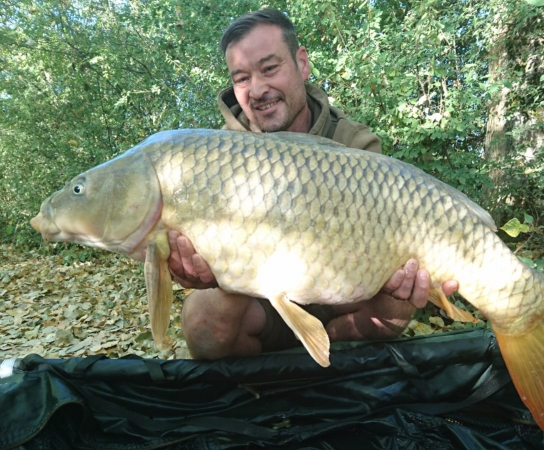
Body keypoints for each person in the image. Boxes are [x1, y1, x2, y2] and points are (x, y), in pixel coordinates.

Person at [166, 9, 457, 361]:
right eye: (241, 78)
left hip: (342, 292)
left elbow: (387, 248)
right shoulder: (216, 155)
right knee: (202, 320)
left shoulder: (354, 142)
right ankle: (260, 390)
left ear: (301, 64)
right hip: (260, 305)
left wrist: (399, 271)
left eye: (270, 69)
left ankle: (334, 362)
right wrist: (212, 272)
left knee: (399, 304)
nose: (257, 89)